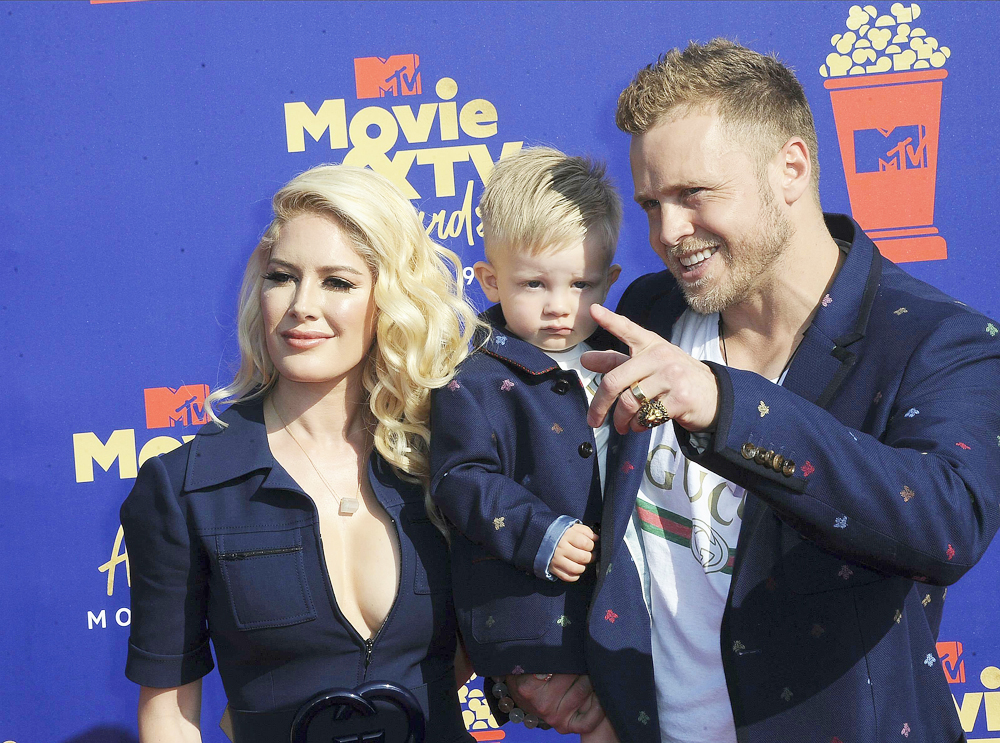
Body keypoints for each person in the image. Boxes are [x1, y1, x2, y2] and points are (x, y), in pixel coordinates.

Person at [507, 39, 1000, 743]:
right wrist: (526, 658)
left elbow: (947, 521)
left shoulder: (934, 339)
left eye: (693, 194)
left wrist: (727, 407)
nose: (668, 231)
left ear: (791, 167)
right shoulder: (645, 314)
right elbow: (513, 447)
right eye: (651, 203)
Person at [119, 164, 482, 743]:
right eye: (282, 277)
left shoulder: (446, 460)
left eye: (337, 282)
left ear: (388, 299)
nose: (301, 305)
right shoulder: (185, 486)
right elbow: (169, 715)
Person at [429, 147, 622, 741]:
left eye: (582, 284)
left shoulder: (635, 358)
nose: (560, 305)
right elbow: (459, 480)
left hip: (632, 622)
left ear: (610, 280)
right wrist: (539, 533)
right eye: (534, 283)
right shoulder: (473, 377)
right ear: (490, 280)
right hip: (539, 625)